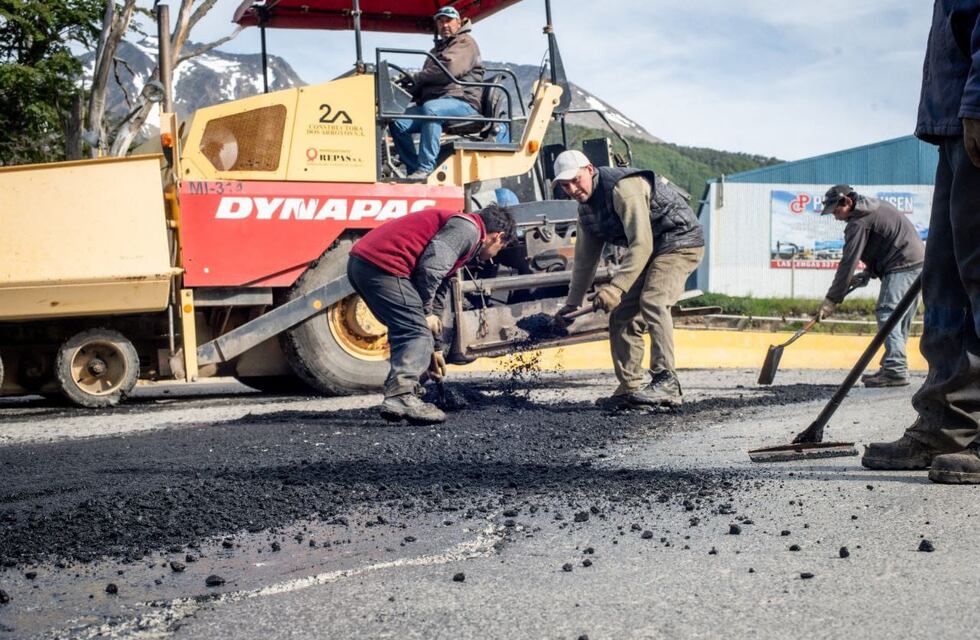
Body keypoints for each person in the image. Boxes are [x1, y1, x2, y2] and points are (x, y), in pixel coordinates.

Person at [861, 1, 980, 483]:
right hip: (951, 124)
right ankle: (948, 426)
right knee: (947, 287)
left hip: (970, 113)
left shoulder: (866, 217)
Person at [552, 150, 705, 410]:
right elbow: (585, 260)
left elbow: (641, 244)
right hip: (653, 250)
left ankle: (667, 382)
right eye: (566, 185)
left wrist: (616, 288)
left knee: (654, 300)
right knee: (622, 314)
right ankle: (631, 388)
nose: (573, 189)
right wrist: (572, 303)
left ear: (589, 169)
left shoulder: (623, 188)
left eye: (576, 180)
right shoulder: (586, 210)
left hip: (680, 241)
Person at [347, 203, 516, 424]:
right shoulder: (468, 230)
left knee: (407, 326)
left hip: (364, 264)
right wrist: (425, 315)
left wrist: (435, 349)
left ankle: (406, 390)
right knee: (414, 328)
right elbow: (430, 269)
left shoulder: (464, 236)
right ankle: (401, 396)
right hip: (383, 265)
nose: (495, 255)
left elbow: (438, 292)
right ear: (497, 237)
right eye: (501, 248)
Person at [816, 185, 924, 387]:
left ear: (848, 202)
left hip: (903, 265)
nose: (836, 217)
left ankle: (896, 370)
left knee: (887, 313)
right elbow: (885, 242)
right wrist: (868, 272)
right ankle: (892, 365)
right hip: (917, 264)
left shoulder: (858, 222)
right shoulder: (873, 207)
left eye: (836, 211)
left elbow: (848, 262)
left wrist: (832, 299)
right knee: (899, 318)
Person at [390, 6, 507, 180]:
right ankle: (412, 169)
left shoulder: (465, 43)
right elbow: (424, 81)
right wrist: (398, 92)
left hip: (463, 103)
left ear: (458, 22)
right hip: (437, 103)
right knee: (396, 120)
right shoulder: (435, 52)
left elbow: (448, 69)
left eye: (448, 20)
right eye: (440, 21)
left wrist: (416, 77)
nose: (444, 25)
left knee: (432, 109)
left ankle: (425, 169)